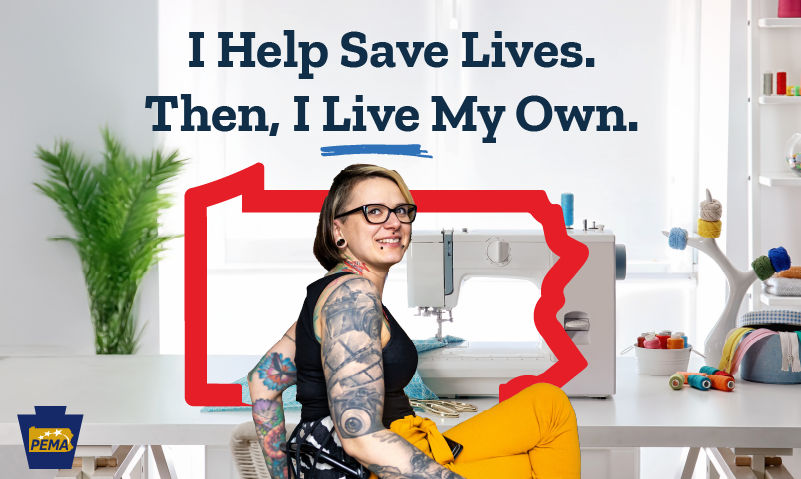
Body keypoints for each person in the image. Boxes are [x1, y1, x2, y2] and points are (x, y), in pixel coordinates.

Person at [248, 164, 581, 479]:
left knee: (546, 406)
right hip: (375, 465)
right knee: (533, 456)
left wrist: (285, 476)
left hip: (401, 444)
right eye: (374, 211)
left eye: (402, 211)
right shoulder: (352, 297)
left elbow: (262, 382)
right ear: (339, 230)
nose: (394, 223)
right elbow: (360, 438)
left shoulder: (333, 292)